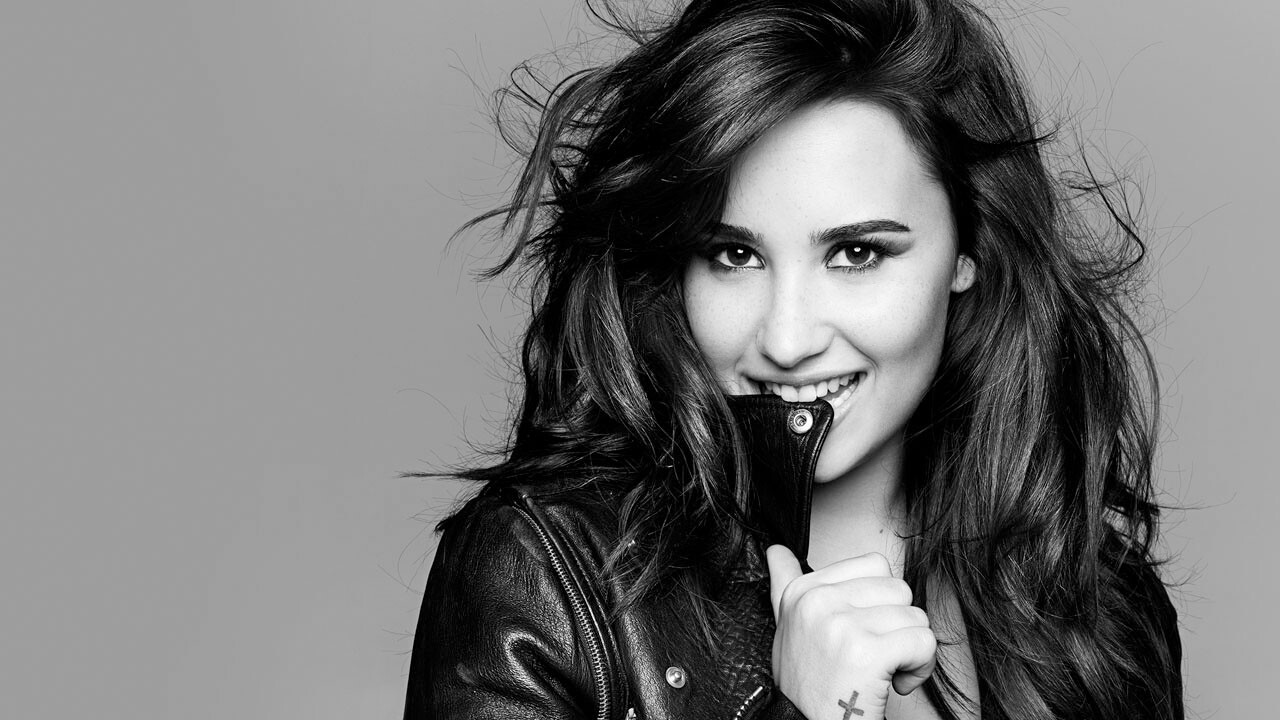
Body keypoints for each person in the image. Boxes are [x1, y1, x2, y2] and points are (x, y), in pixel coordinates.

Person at [403, 1, 1183, 718]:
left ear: (968, 251)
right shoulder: (542, 576)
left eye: (856, 253)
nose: (786, 339)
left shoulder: (1101, 605)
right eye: (734, 255)